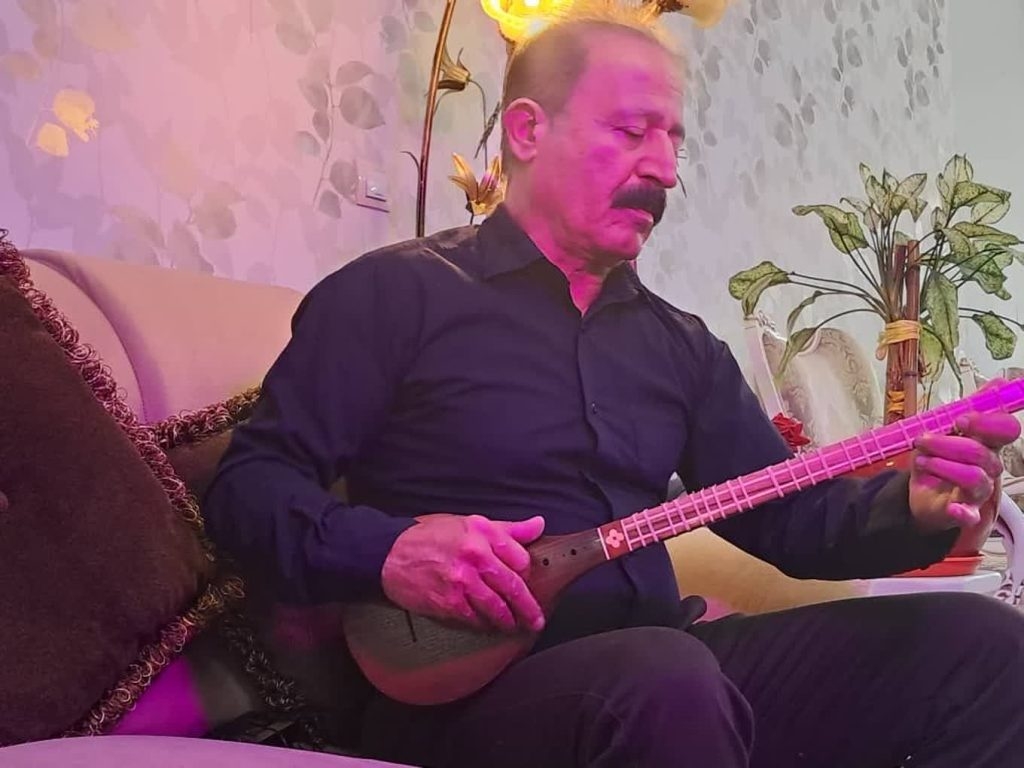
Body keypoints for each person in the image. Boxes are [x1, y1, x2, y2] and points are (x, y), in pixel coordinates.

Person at [204, 6, 1024, 768]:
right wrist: (387, 553)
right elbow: (248, 488)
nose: (663, 168)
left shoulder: (681, 347)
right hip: (461, 702)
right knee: (665, 680)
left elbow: (791, 519)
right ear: (527, 130)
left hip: (666, 668)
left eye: (673, 141)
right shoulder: (394, 295)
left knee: (981, 646)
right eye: (632, 131)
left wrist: (916, 510)